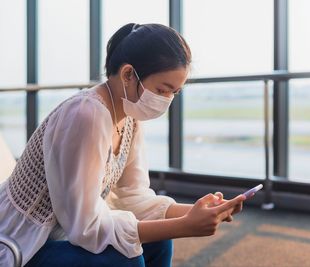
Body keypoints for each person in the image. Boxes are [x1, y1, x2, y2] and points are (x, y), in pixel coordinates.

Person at [0, 23, 245, 267]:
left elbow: (132, 198)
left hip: (61, 235)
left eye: (174, 93)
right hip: (25, 242)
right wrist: (185, 226)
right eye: (162, 89)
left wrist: (198, 212)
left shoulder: (129, 117)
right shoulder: (85, 115)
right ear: (128, 74)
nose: (166, 100)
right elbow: (84, 226)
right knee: (127, 259)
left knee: (159, 240)